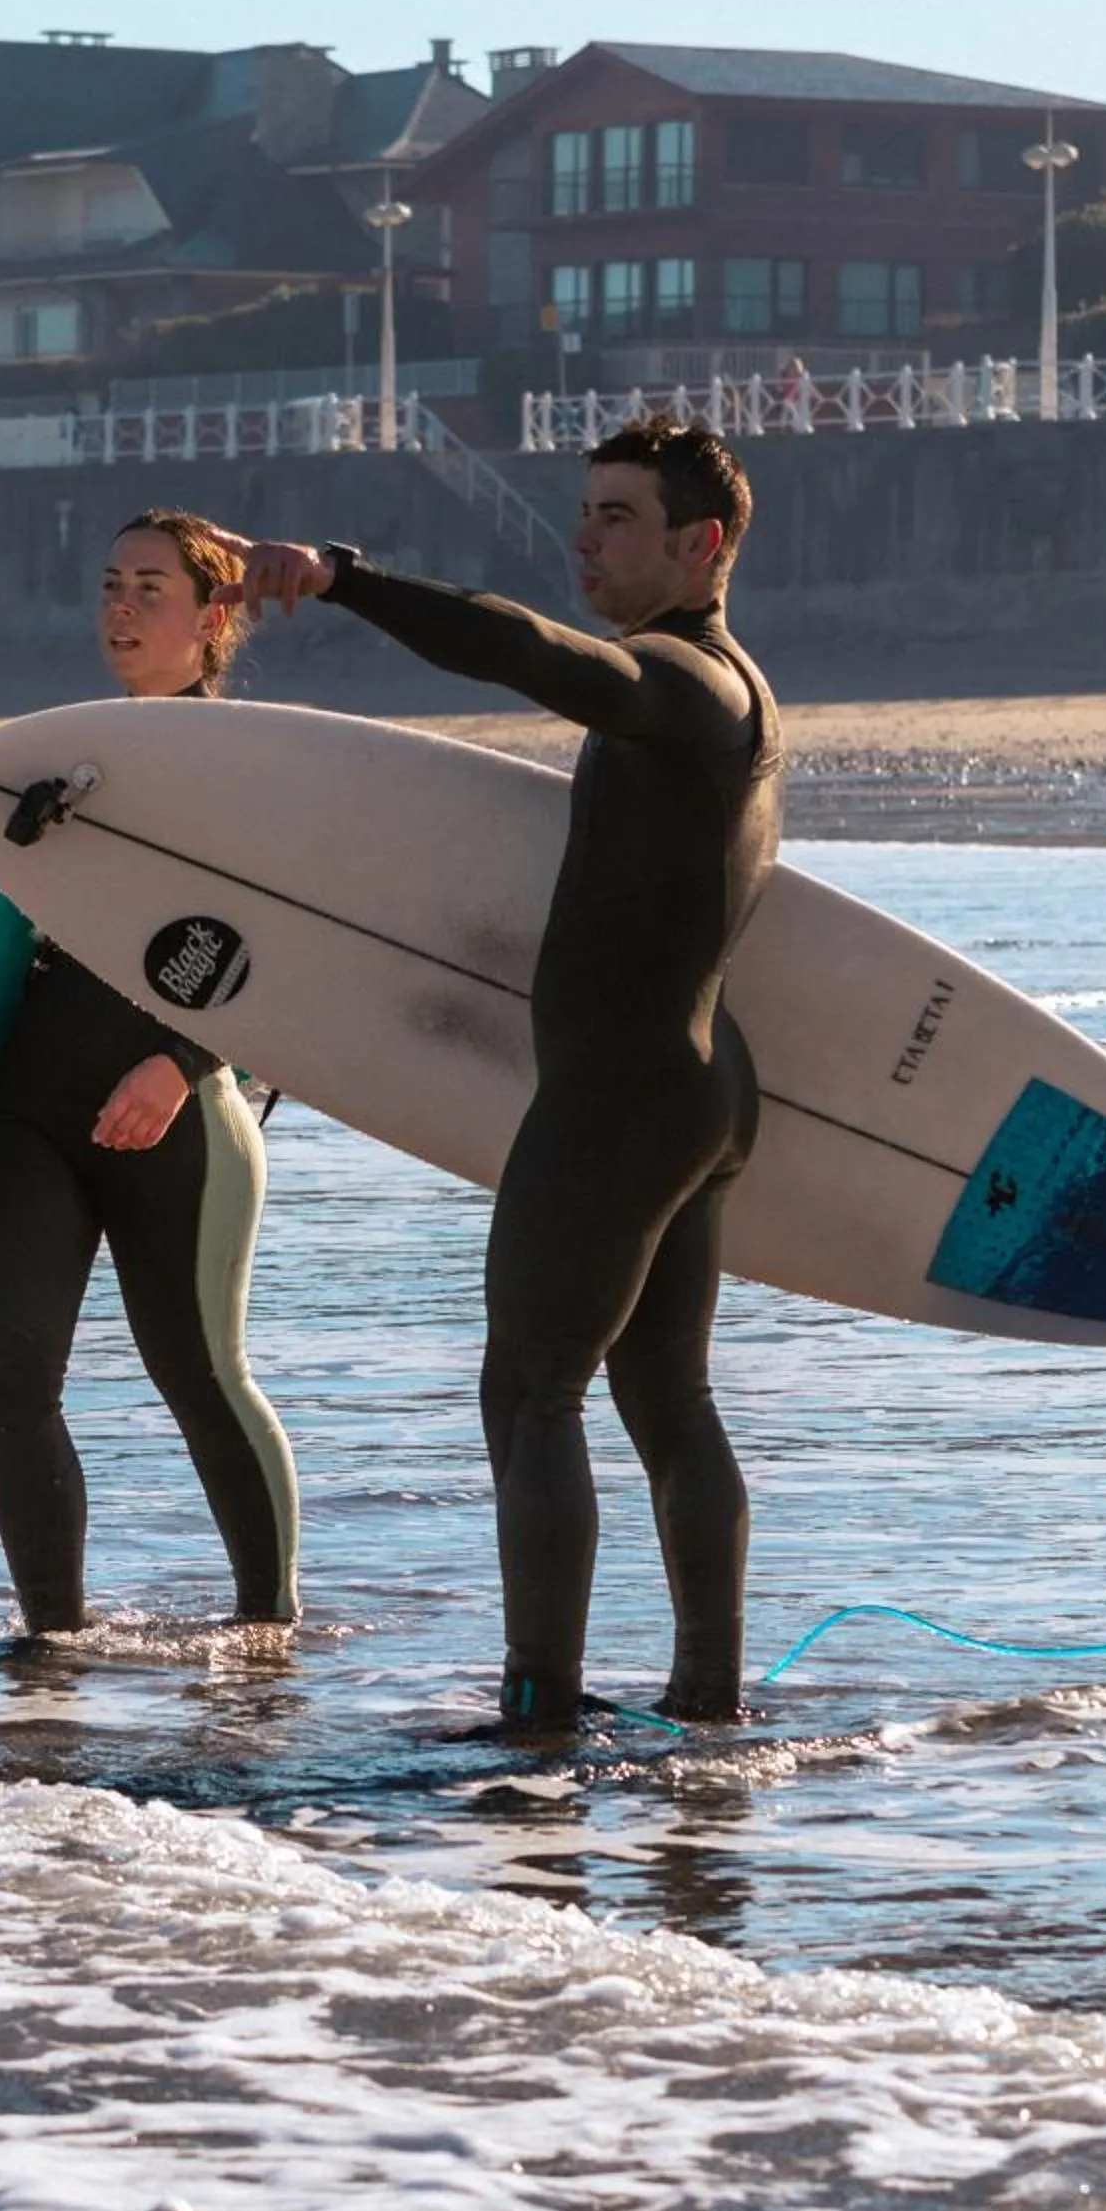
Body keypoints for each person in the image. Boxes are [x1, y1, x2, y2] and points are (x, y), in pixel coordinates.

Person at [220, 419, 780, 1726]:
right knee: (667, 1398)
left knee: (531, 1392)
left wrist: (344, 579)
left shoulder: (685, 681)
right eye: (582, 511)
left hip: (620, 1097)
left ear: (701, 546)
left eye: (619, 517)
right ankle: (707, 1705)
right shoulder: (735, 685)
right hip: (696, 1086)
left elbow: (532, 652)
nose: (585, 536)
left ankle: (541, 1712)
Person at [0, 509, 300, 1636]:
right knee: (10, 1389)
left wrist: (180, 1059)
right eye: (109, 584)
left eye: (147, 589)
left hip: (181, 1114)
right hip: (31, 1116)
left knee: (199, 1379)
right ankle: (51, 1645)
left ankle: (267, 1634)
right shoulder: (58, 761)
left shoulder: (248, 772)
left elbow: (281, 943)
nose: (118, 608)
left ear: (211, 621)